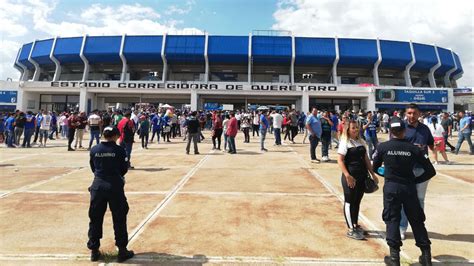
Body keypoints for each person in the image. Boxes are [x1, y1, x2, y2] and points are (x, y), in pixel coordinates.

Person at [372, 117, 436, 266]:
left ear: (390, 130)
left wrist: (385, 174)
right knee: (416, 220)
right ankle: (426, 257)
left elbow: (375, 168)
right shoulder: (414, 148)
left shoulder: (383, 147)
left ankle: (395, 259)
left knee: (392, 219)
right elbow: (430, 171)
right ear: (404, 131)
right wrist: (415, 180)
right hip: (408, 188)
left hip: (391, 188)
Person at [87, 126, 134, 262]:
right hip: (114, 186)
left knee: (95, 218)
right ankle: (122, 250)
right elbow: (123, 169)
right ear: (115, 136)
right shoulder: (119, 150)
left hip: (98, 185)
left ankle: (94, 250)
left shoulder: (95, 149)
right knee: (119, 217)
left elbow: (93, 167)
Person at [337, 119, 378, 240]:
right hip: (350, 176)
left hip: (362, 176)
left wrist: (372, 173)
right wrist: (347, 175)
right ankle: (350, 229)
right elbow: (340, 160)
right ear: (348, 130)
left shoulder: (361, 141)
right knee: (349, 201)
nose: (355, 129)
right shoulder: (345, 142)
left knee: (357, 201)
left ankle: (355, 224)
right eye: (353, 127)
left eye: (357, 127)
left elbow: (366, 159)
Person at [399, 103, 434, 240]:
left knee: (419, 199)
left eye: (414, 113)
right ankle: (402, 227)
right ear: (405, 114)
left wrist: (433, 146)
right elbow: (395, 144)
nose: (411, 116)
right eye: (409, 113)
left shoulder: (425, 129)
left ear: (419, 114)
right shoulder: (400, 128)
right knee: (403, 199)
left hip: (421, 169)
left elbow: (430, 144)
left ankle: (418, 226)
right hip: (405, 168)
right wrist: (412, 147)